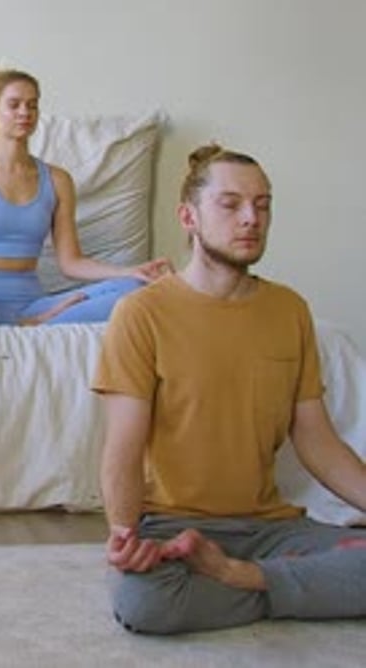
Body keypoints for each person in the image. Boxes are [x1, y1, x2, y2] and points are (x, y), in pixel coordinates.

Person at [92, 143, 366, 635]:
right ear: (188, 216)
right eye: (231, 203)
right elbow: (124, 447)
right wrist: (123, 532)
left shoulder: (290, 310)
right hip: (176, 529)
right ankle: (283, 588)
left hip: (271, 530)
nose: (250, 218)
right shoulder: (141, 314)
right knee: (146, 605)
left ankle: (239, 577)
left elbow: (318, 442)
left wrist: (238, 573)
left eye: (263, 205)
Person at [0, 68, 171, 326]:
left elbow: (71, 263)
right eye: (14, 105)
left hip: (34, 302)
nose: (25, 112)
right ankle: (22, 322)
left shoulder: (58, 181)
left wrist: (131, 271)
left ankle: (28, 319)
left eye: (32, 105)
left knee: (135, 288)